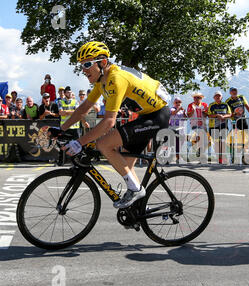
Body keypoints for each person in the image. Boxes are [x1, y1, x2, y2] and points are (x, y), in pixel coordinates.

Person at [52, 41, 171, 209]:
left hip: (157, 116)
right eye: (81, 66)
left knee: (103, 144)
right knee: (126, 168)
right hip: (146, 116)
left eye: (87, 64)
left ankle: (136, 192)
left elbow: (109, 121)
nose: (84, 70)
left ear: (102, 63)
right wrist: (61, 129)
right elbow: (83, 109)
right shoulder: (102, 81)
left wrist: (80, 142)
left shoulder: (115, 79)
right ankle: (138, 211)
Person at [207, 91, 232, 164]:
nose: (218, 97)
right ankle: (219, 159)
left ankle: (224, 158)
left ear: (222, 97)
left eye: (219, 96)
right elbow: (209, 115)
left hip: (224, 126)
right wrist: (217, 115)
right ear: (214, 98)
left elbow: (230, 114)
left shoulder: (225, 105)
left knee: (223, 143)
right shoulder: (211, 105)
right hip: (213, 126)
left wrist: (223, 116)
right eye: (216, 96)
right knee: (217, 143)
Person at [57, 86, 80, 165]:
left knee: (76, 145)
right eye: (68, 92)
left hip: (74, 126)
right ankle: (61, 161)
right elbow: (61, 113)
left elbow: (76, 112)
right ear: (65, 93)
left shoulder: (75, 101)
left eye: (70, 92)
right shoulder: (60, 101)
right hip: (65, 126)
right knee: (63, 144)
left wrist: (66, 112)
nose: (69, 94)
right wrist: (71, 112)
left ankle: (76, 161)